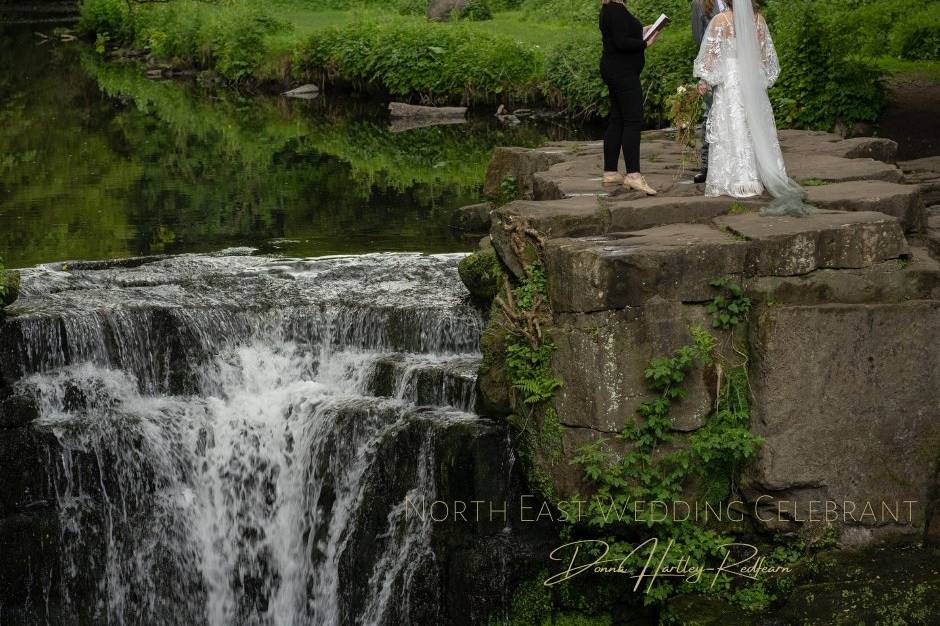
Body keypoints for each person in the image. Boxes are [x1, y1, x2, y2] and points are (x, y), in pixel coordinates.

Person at [693, 0, 812, 215]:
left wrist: (705, 80)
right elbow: (768, 58)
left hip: (731, 81)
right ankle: (761, 175)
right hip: (752, 80)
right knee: (755, 124)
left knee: (734, 125)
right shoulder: (759, 21)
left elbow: (710, 57)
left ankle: (741, 180)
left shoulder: (720, 21)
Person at [599, 0, 660, 195]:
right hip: (622, 72)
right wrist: (644, 43)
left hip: (616, 69)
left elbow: (621, 33)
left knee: (618, 119)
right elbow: (621, 42)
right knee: (633, 120)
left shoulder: (611, 8)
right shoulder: (615, 9)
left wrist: (642, 30)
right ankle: (633, 175)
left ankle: (610, 172)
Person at [690, 0, 725, 183]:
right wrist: (707, 74)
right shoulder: (699, 4)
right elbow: (699, 38)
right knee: (710, 115)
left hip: (733, 68)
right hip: (713, 69)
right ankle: (706, 166)